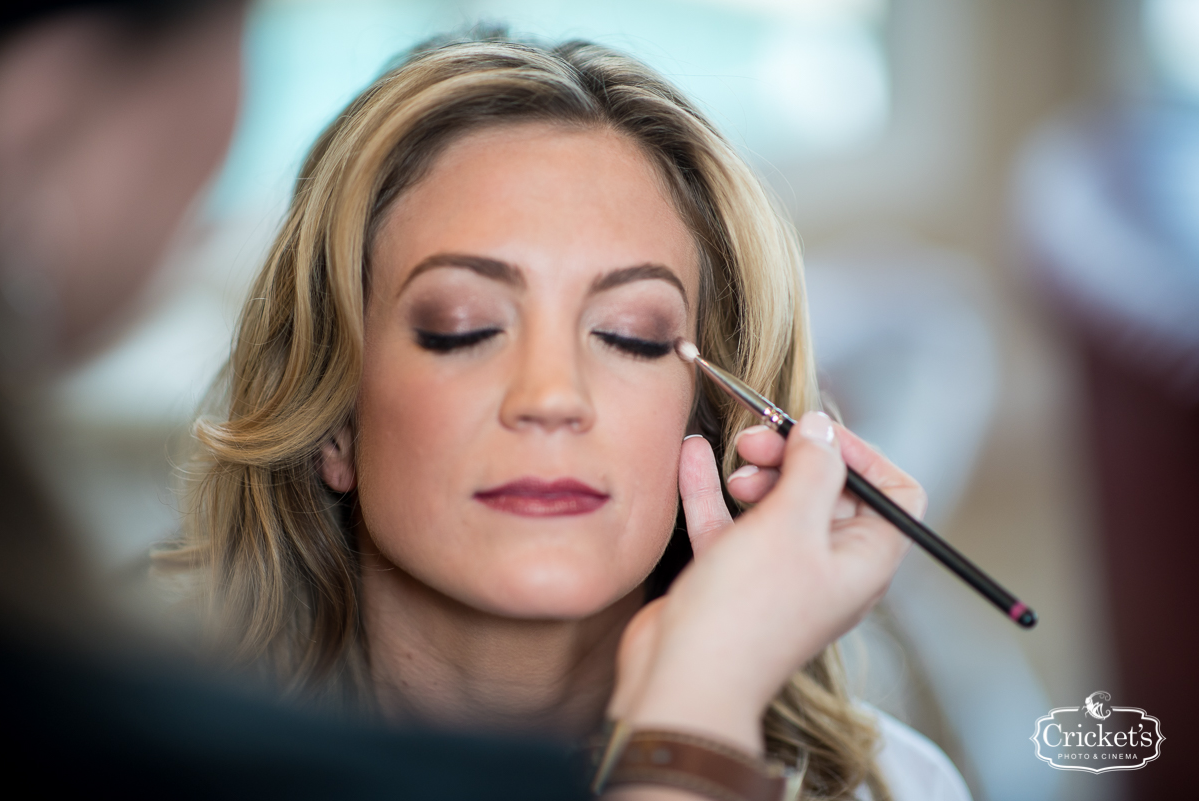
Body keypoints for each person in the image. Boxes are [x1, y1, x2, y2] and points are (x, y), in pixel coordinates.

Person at [164, 34, 971, 801]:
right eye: (464, 328)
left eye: (631, 336)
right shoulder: (138, 763)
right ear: (335, 421)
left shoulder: (893, 785)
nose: (552, 397)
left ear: (710, 421)